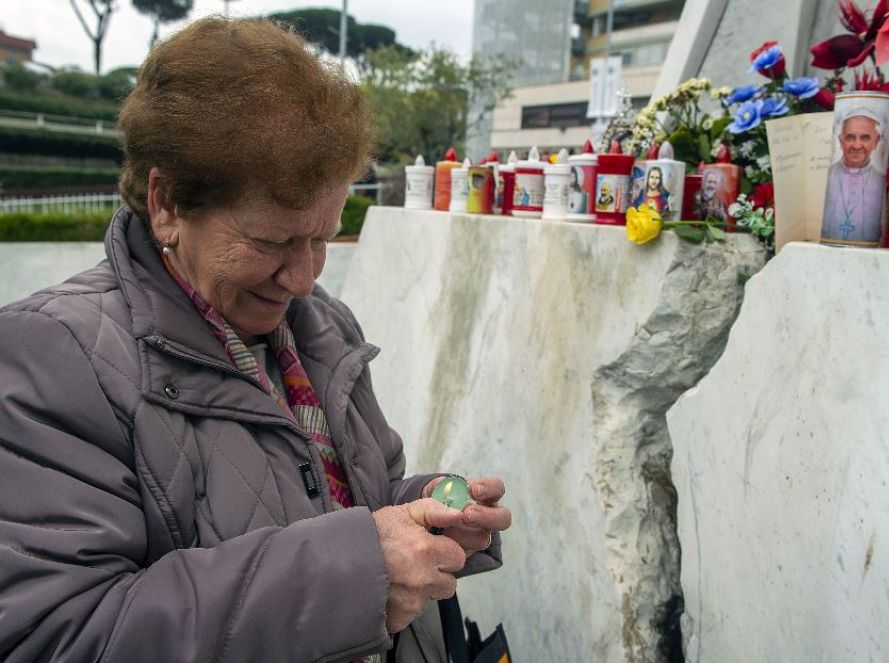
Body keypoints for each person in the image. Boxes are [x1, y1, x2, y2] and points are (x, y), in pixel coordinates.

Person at [0, 18, 511, 663]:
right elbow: (54, 635)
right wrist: (356, 571)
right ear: (167, 204)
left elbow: (356, 497)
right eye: (271, 242)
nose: (304, 278)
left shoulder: (322, 327)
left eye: (322, 237)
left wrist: (423, 515)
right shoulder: (54, 353)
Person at [821, 109, 886, 244]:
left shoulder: (882, 181)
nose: (857, 146)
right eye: (850, 137)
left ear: (876, 141)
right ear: (841, 141)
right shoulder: (826, 176)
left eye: (865, 138)